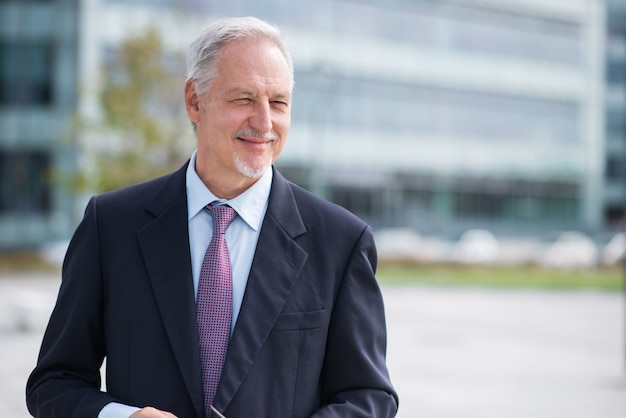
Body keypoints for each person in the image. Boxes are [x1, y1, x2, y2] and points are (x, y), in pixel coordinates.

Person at [26, 16, 398, 418]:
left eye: (278, 103)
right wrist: (122, 417)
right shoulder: (111, 225)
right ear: (194, 101)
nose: (264, 122)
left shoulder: (340, 241)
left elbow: (369, 397)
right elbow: (54, 382)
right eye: (244, 99)